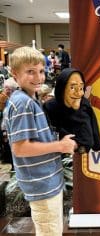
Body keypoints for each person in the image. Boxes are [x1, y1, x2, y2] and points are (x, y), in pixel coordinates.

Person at [2, 46, 77, 236]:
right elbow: (20, 148)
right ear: (15, 73)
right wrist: (60, 146)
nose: (38, 77)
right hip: (41, 184)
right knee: (50, 231)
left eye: (41, 71)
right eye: (30, 72)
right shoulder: (23, 103)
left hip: (45, 181)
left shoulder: (29, 99)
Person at [43, 68, 100, 154]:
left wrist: (97, 144)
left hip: (84, 152)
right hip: (60, 153)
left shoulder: (83, 103)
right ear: (62, 88)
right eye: (72, 88)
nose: (79, 93)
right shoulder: (50, 107)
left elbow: (93, 123)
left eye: (81, 88)